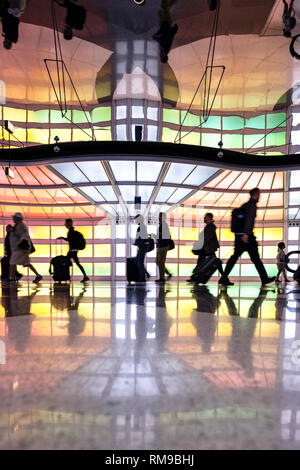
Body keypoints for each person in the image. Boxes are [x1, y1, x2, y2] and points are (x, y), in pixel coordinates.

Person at [220, 188, 275, 286]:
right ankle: (264, 279)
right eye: (259, 194)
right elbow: (249, 220)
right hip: (247, 237)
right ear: (255, 194)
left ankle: (223, 277)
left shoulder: (244, 205)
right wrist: (246, 234)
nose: (259, 196)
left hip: (239, 236)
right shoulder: (252, 205)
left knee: (235, 257)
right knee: (255, 259)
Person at [187, 212, 224, 282]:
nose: (204, 218)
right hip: (207, 248)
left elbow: (207, 238)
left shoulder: (211, 226)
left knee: (213, 262)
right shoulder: (208, 226)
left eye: (206, 217)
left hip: (208, 248)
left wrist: (199, 245)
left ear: (210, 218)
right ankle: (224, 277)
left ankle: (195, 277)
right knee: (215, 262)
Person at [8, 213, 43, 284]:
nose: (13, 219)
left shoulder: (20, 225)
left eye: (14, 218)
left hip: (19, 249)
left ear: (19, 218)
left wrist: (19, 241)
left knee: (12, 262)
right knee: (27, 263)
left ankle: (11, 278)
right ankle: (38, 275)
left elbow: (23, 235)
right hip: (22, 249)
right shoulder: (18, 225)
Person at [56, 218, 89, 282]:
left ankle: (64, 276)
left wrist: (62, 238)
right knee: (76, 263)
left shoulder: (70, 232)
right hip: (74, 250)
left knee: (64, 262)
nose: (64, 224)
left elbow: (69, 240)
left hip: (72, 251)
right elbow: (70, 240)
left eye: (65, 223)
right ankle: (85, 276)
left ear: (68, 224)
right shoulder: (71, 231)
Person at [153, 212, 172, 283]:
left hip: (163, 246)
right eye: (159, 216)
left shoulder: (164, 225)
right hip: (160, 246)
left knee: (160, 262)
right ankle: (167, 273)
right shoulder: (161, 225)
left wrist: (156, 236)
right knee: (158, 261)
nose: (159, 218)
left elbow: (165, 236)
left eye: (160, 216)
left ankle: (162, 278)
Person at [133, 214, 149, 283]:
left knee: (139, 262)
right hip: (142, 246)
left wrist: (139, 246)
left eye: (136, 220)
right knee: (138, 261)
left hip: (142, 247)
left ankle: (142, 278)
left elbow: (142, 238)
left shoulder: (141, 227)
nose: (135, 221)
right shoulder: (142, 226)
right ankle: (146, 274)